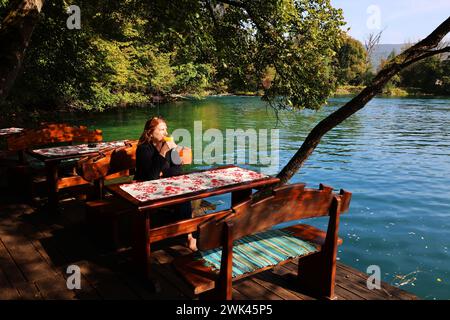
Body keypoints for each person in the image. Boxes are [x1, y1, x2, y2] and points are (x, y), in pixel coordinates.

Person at [135, 116, 197, 251]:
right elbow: (151, 177)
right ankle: (185, 234)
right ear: (150, 132)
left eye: (166, 129)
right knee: (183, 200)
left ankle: (189, 236)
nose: (166, 133)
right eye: (162, 129)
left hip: (164, 185)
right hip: (145, 188)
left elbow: (176, 169)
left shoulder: (167, 146)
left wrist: (173, 152)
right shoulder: (144, 148)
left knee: (184, 195)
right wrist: (163, 153)